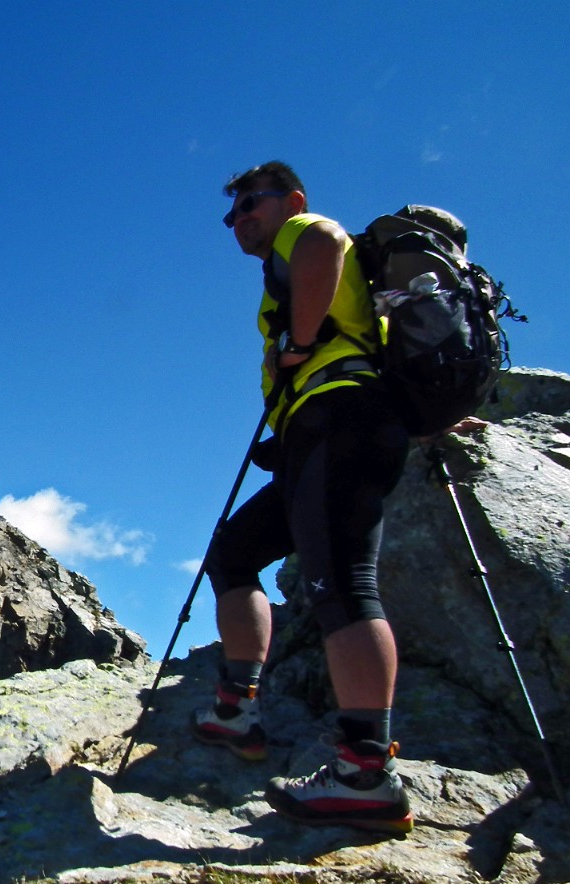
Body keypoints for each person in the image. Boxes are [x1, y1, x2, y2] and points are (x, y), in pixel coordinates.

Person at [191, 161, 415, 834]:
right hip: (321, 435)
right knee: (232, 552)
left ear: (290, 199)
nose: (240, 221)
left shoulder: (304, 230)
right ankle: (238, 710)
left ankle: (365, 774)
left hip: (336, 421)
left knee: (343, 582)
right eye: (231, 216)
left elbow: (325, 247)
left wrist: (303, 341)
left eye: (249, 206)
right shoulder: (285, 260)